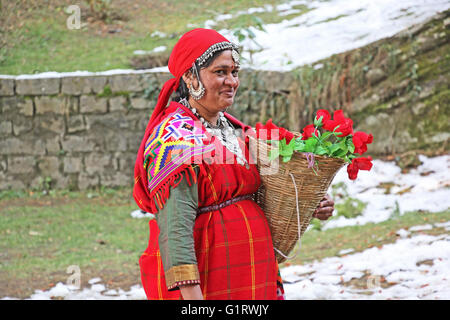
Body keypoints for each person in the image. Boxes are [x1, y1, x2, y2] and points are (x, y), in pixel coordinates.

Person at [133, 28, 335, 300]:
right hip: (209, 281)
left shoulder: (235, 131)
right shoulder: (174, 141)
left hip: (253, 275)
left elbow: (266, 192)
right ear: (191, 77)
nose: (232, 81)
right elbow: (175, 231)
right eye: (220, 72)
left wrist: (309, 203)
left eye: (234, 72)